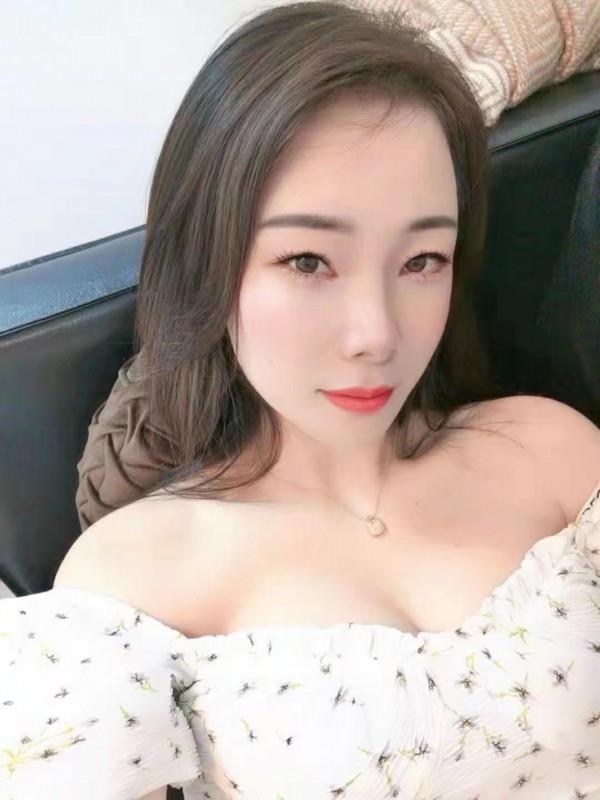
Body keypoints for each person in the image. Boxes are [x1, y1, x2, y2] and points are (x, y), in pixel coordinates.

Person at [2, 2, 599, 798]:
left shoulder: (545, 447)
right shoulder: (135, 574)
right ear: (209, 264)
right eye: (309, 261)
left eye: (422, 259)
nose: (375, 334)